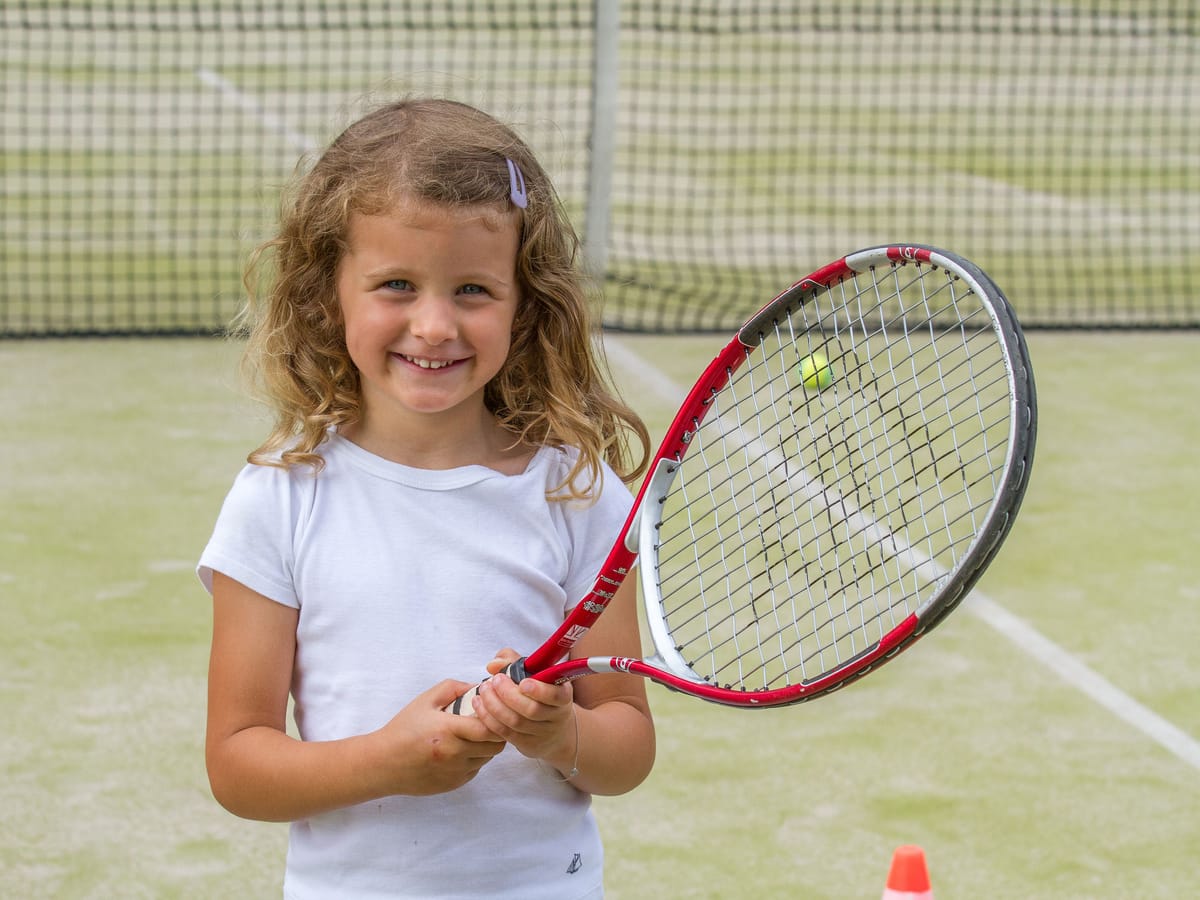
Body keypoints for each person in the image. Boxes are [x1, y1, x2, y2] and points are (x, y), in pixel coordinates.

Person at [198, 98, 655, 899]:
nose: (435, 325)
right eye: (397, 285)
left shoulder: (578, 494)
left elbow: (627, 750)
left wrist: (559, 733)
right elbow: (238, 764)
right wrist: (388, 761)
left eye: (473, 289)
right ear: (329, 294)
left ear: (524, 304)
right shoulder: (278, 498)